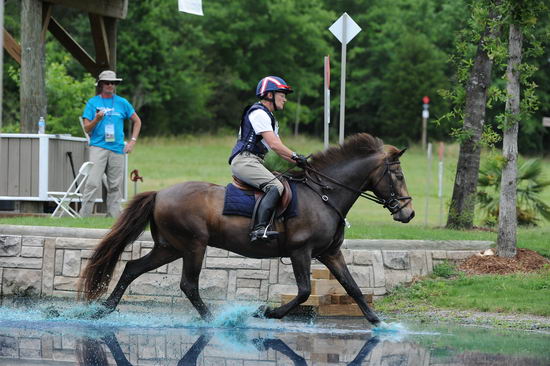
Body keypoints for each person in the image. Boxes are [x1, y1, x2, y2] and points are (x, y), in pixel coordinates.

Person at [228, 76, 308, 244]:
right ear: (269, 95)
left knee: (284, 180)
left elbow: (277, 148)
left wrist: (300, 163)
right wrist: (295, 156)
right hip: (244, 161)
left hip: (254, 161)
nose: (285, 99)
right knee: (276, 186)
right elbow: (274, 144)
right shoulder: (259, 113)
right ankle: (259, 229)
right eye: (282, 94)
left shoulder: (269, 117)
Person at [79, 70, 142, 218]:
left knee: (115, 186)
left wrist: (132, 141)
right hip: (98, 146)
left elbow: (137, 121)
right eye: (106, 82)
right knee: (93, 182)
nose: (110, 85)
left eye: (112, 83)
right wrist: (96, 119)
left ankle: (113, 218)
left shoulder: (122, 102)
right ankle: (84, 217)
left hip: (117, 148)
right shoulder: (92, 102)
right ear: (101, 85)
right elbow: (87, 128)